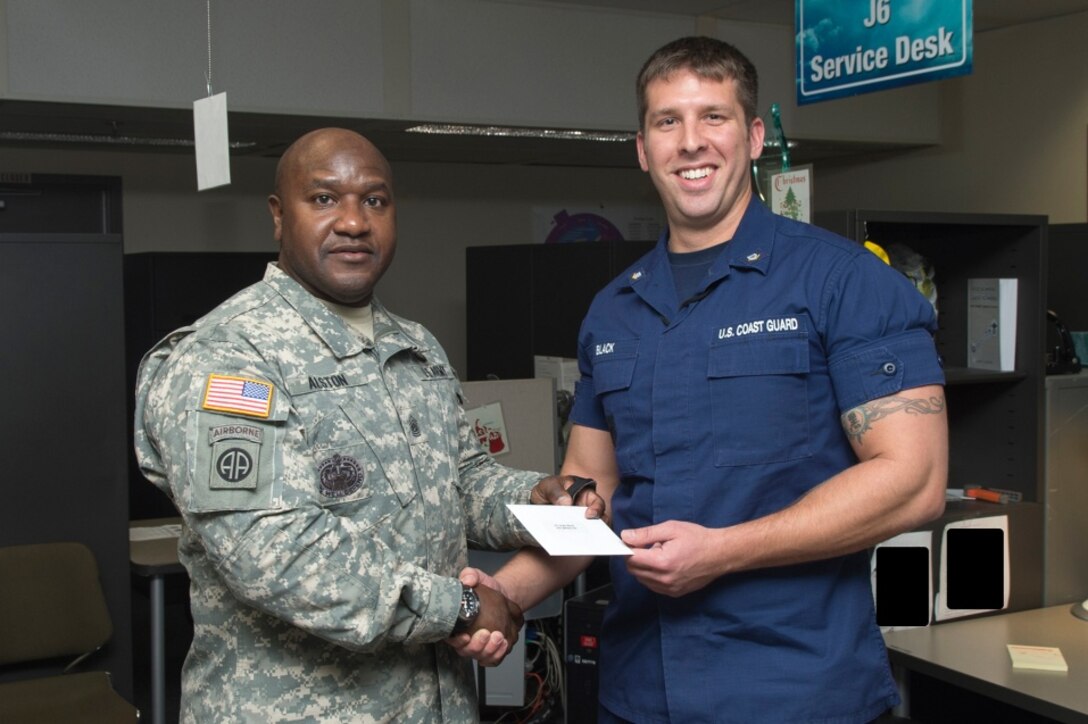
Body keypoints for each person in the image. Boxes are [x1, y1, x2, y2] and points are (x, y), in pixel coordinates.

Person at [457, 36, 948, 723]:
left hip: (797, 693)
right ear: (642, 148)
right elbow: (592, 500)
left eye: (712, 117)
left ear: (751, 137)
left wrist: (722, 552)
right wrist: (504, 595)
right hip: (640, 692)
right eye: (667, 122)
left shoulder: (843, 282)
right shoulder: (614, 311)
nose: (691, 142)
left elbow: (915, 480)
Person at [133, 127, 602, 722]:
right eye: (325, 199)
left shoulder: (416, 347)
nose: (354, 222)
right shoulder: (228, 356)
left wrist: (537, 500)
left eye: (374, 200)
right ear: (279, 216)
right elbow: (276, 551)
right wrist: (457, 605)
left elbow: (458, 482)